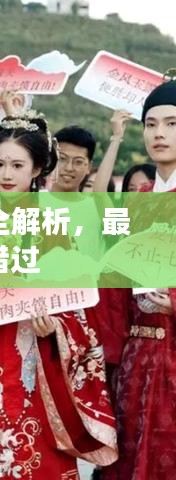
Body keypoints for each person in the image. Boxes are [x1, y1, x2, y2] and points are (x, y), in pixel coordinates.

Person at [0, 112, 117, 479]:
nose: (7, 174)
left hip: (33, 366)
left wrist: (54, 328)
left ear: (36, 169)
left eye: (17, 165)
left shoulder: (52, 228)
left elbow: (76, 309)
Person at [102, 76, 176, 480]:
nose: (159, 133)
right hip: (135, 361)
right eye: (151, 124)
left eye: (171, 124)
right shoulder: (132, 204)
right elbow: (112, 283)